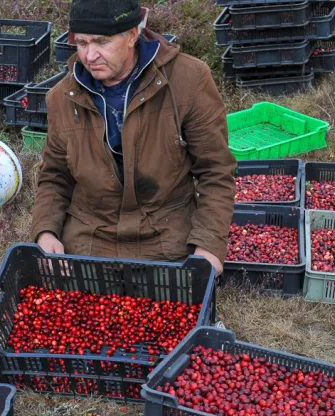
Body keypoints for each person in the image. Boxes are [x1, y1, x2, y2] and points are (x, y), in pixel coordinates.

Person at [30, 0, 237, 274]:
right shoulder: (62, 97)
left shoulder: (188, 81)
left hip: (167, 241)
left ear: (132, 35)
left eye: (101, 42)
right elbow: (54, 177)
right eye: (81, 43)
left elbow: (216, 171)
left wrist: (208, 247)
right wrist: (45, 232)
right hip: (90, 243)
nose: (90, 56)